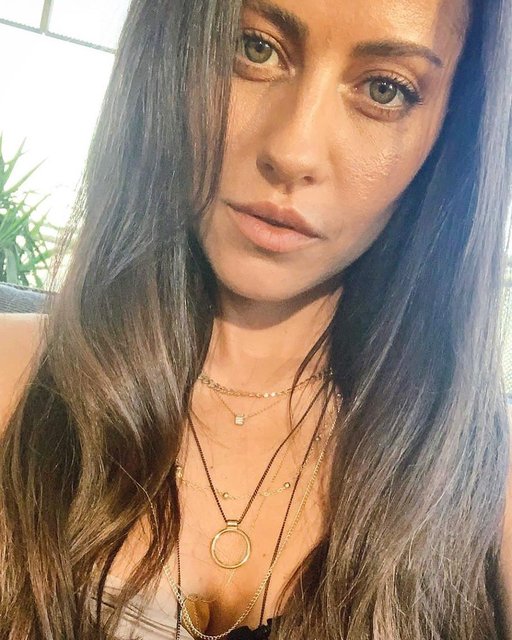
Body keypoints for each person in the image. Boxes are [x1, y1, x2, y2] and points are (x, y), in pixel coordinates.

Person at [1, 0, 512, 638]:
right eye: (255, 49)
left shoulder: (488, 491)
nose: (293, 151)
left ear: (451, 136)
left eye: (385, 89)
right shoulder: (12, 379)